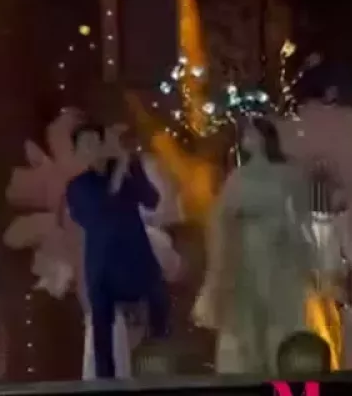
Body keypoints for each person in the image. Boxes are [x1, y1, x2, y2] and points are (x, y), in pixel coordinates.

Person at [193, 117, 317, 375]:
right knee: (248, 320)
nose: (246, 139)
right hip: (247, 254)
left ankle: (285, 381)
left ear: (264, 137)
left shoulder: (287, 173)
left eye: (251, 134)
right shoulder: (237, 177)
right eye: (245, 135)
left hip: (280, 253)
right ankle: (251, 377)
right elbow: (221, 215)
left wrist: (303, 250)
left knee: (281, 317)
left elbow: (301, 216)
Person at [66, 123, 170, 379]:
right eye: (85, 145)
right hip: (103, 265)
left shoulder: (126, 169)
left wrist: (132, 165)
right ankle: (106, 383)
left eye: (95, 142)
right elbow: (100, 209)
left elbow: (151, 200)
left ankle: (162, 372)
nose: (92, 149)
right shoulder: (78, 186)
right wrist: (121, 169)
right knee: (103, 337)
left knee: (159, 314)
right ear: (77, 152)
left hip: (137, 259)